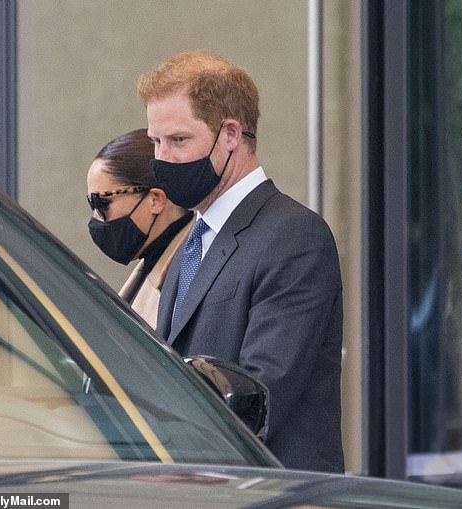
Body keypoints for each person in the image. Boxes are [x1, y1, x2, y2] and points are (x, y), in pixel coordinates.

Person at [138, 50, 344, 472]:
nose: (163, 159)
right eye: (155, 142)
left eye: (178, 140)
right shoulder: (194, 239)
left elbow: (260, 395)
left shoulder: (294, 236)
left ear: (231, 134)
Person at [86, 128, 194, 328]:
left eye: (103, 203)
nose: (97, 217)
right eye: (91, 205)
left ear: (156, 200)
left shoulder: (190, 277)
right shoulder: (154, 264)